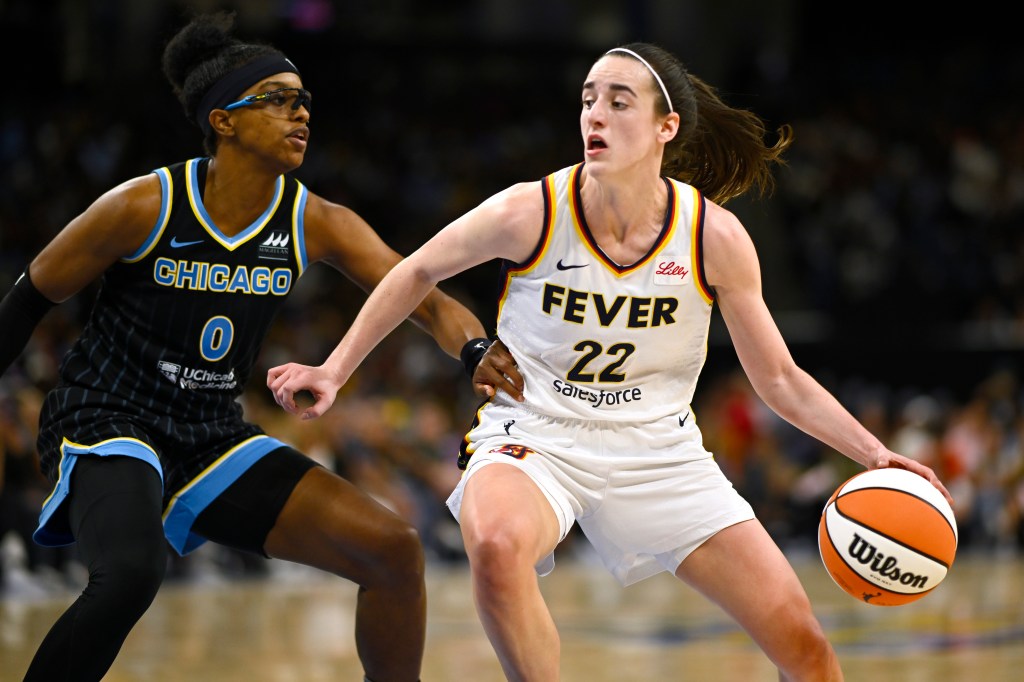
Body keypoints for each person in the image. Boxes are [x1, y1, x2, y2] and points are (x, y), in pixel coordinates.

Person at [267, 42, 954, 681]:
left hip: (659, 450)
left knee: (805, 648)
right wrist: (334, 369)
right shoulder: (531, 209)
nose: (595, 113)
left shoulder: (714, 237)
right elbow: (415, 271)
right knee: (499, 546)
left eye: (619, 100)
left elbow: (777, 378)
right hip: (536, 436)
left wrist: (872, 454)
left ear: (666, 128)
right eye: (590, 98)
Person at [0, 11, 503, 682]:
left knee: (393, 550)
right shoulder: (143, 206)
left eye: (304, 102)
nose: (299, 114)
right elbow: (28, 298)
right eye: (277, 99)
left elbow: (424, 294)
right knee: (129, 574)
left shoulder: (314, 220)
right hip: (108, 417)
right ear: (223, 119)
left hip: (209, 432)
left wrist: (475, 351)